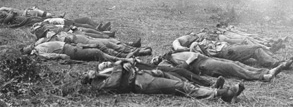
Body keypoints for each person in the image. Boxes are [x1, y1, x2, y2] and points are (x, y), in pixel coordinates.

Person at [82, 59, 245, 103]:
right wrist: (119, 65)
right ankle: (222, 94)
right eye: (88, 73)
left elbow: (125, 67)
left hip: (144, 74)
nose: (91, 70)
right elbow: (115, 83)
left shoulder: (104, 70)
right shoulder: (98, 84)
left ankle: (213, 89)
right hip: (141, 84)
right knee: (179, 86)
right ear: (89, 79)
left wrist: (125, 63)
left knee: (178, 79)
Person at [173, 32, 293, 68]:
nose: (198, 34)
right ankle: (274, 63)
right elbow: (177, 42)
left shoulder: (203, 40)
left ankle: (270, 54)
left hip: (227, 48)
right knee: (255, 49)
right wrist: (179, 47)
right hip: (226, 52)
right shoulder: (194, 44)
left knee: (249, 43)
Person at [151, 51, 293, 82]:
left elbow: (193, 55)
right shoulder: (170, 60)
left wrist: (185, 64)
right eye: (155, 60)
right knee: (233, 68)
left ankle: (267, 71)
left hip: (204, 62)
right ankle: (264, 76)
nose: (157, 58)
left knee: (234, 65)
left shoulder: (175, 55)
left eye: (157, 56)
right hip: (204, 65)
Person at [21, 40, 138, 62]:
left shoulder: (37, 45)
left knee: (97, 46)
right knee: (97, 52)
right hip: (69, 51)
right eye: (25, 49)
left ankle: (126, 55)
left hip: (70, 45)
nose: (27, 47)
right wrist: (61, 56)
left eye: (25, 46)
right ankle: (123, 59)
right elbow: (51, 55)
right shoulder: (37, 53)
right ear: (28, 53)